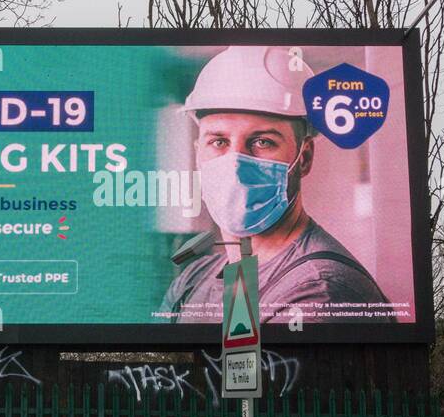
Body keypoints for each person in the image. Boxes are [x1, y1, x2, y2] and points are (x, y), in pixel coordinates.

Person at [162, 46, 392, 324]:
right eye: (219, 142)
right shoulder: (195, 278)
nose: (236, 163)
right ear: (198, 152)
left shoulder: (320, 291)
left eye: (262, 142)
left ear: (304, 157)